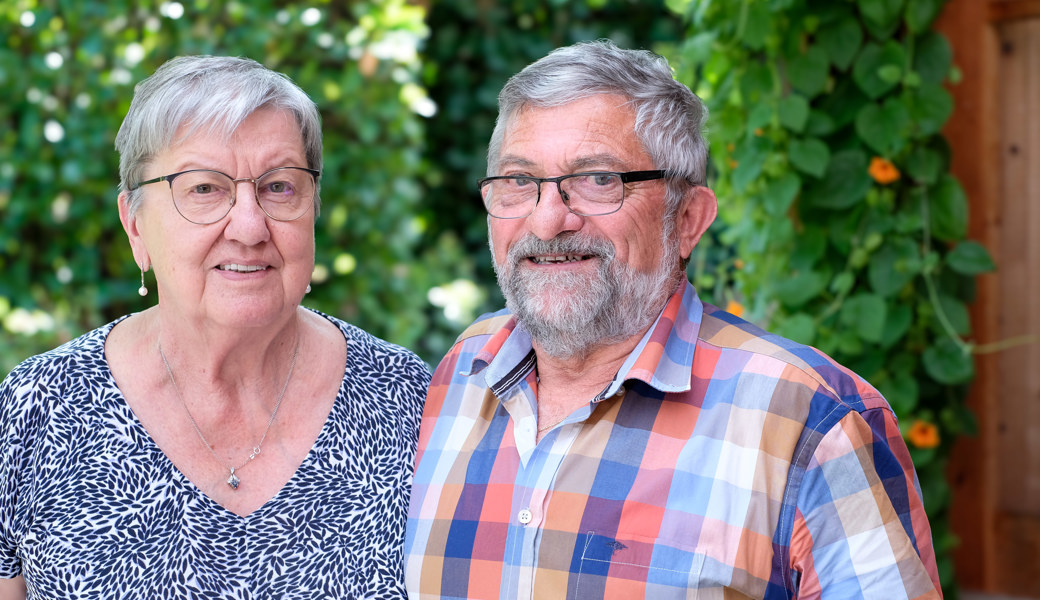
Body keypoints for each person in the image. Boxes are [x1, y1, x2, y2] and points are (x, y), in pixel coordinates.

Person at [404, 40, 942, 599]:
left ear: (686, 219)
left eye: (598, 180)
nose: (547, 221)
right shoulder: (461, 374)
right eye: (519, 181)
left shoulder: (811, 421)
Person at [0, 56, 429, 599]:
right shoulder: (37, 411)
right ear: (135, 225)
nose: (249, 226)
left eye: (278, 187)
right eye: (204, 188)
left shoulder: (408, 401)